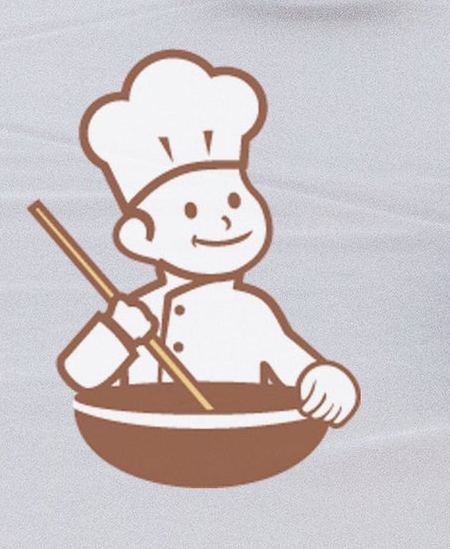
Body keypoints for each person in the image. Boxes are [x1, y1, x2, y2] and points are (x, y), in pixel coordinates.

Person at [55, 49, 358, 426]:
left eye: (234, 199)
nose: (225, 221)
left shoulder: (251, 312)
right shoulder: (138, 311)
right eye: (191, 211)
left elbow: (295, 365)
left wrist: (325, 379)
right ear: (141, 237)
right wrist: (117, 333)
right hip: (142, 440)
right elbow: (80, 375)